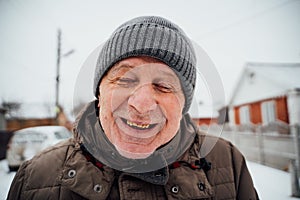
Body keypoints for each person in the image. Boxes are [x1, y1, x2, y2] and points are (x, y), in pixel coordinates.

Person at [8, 16, 259, 199]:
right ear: (100, 91)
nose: (141, 104)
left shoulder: (229, 163)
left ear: (184, 104)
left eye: (163, 85)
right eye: (125, 80)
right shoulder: (34, 177)